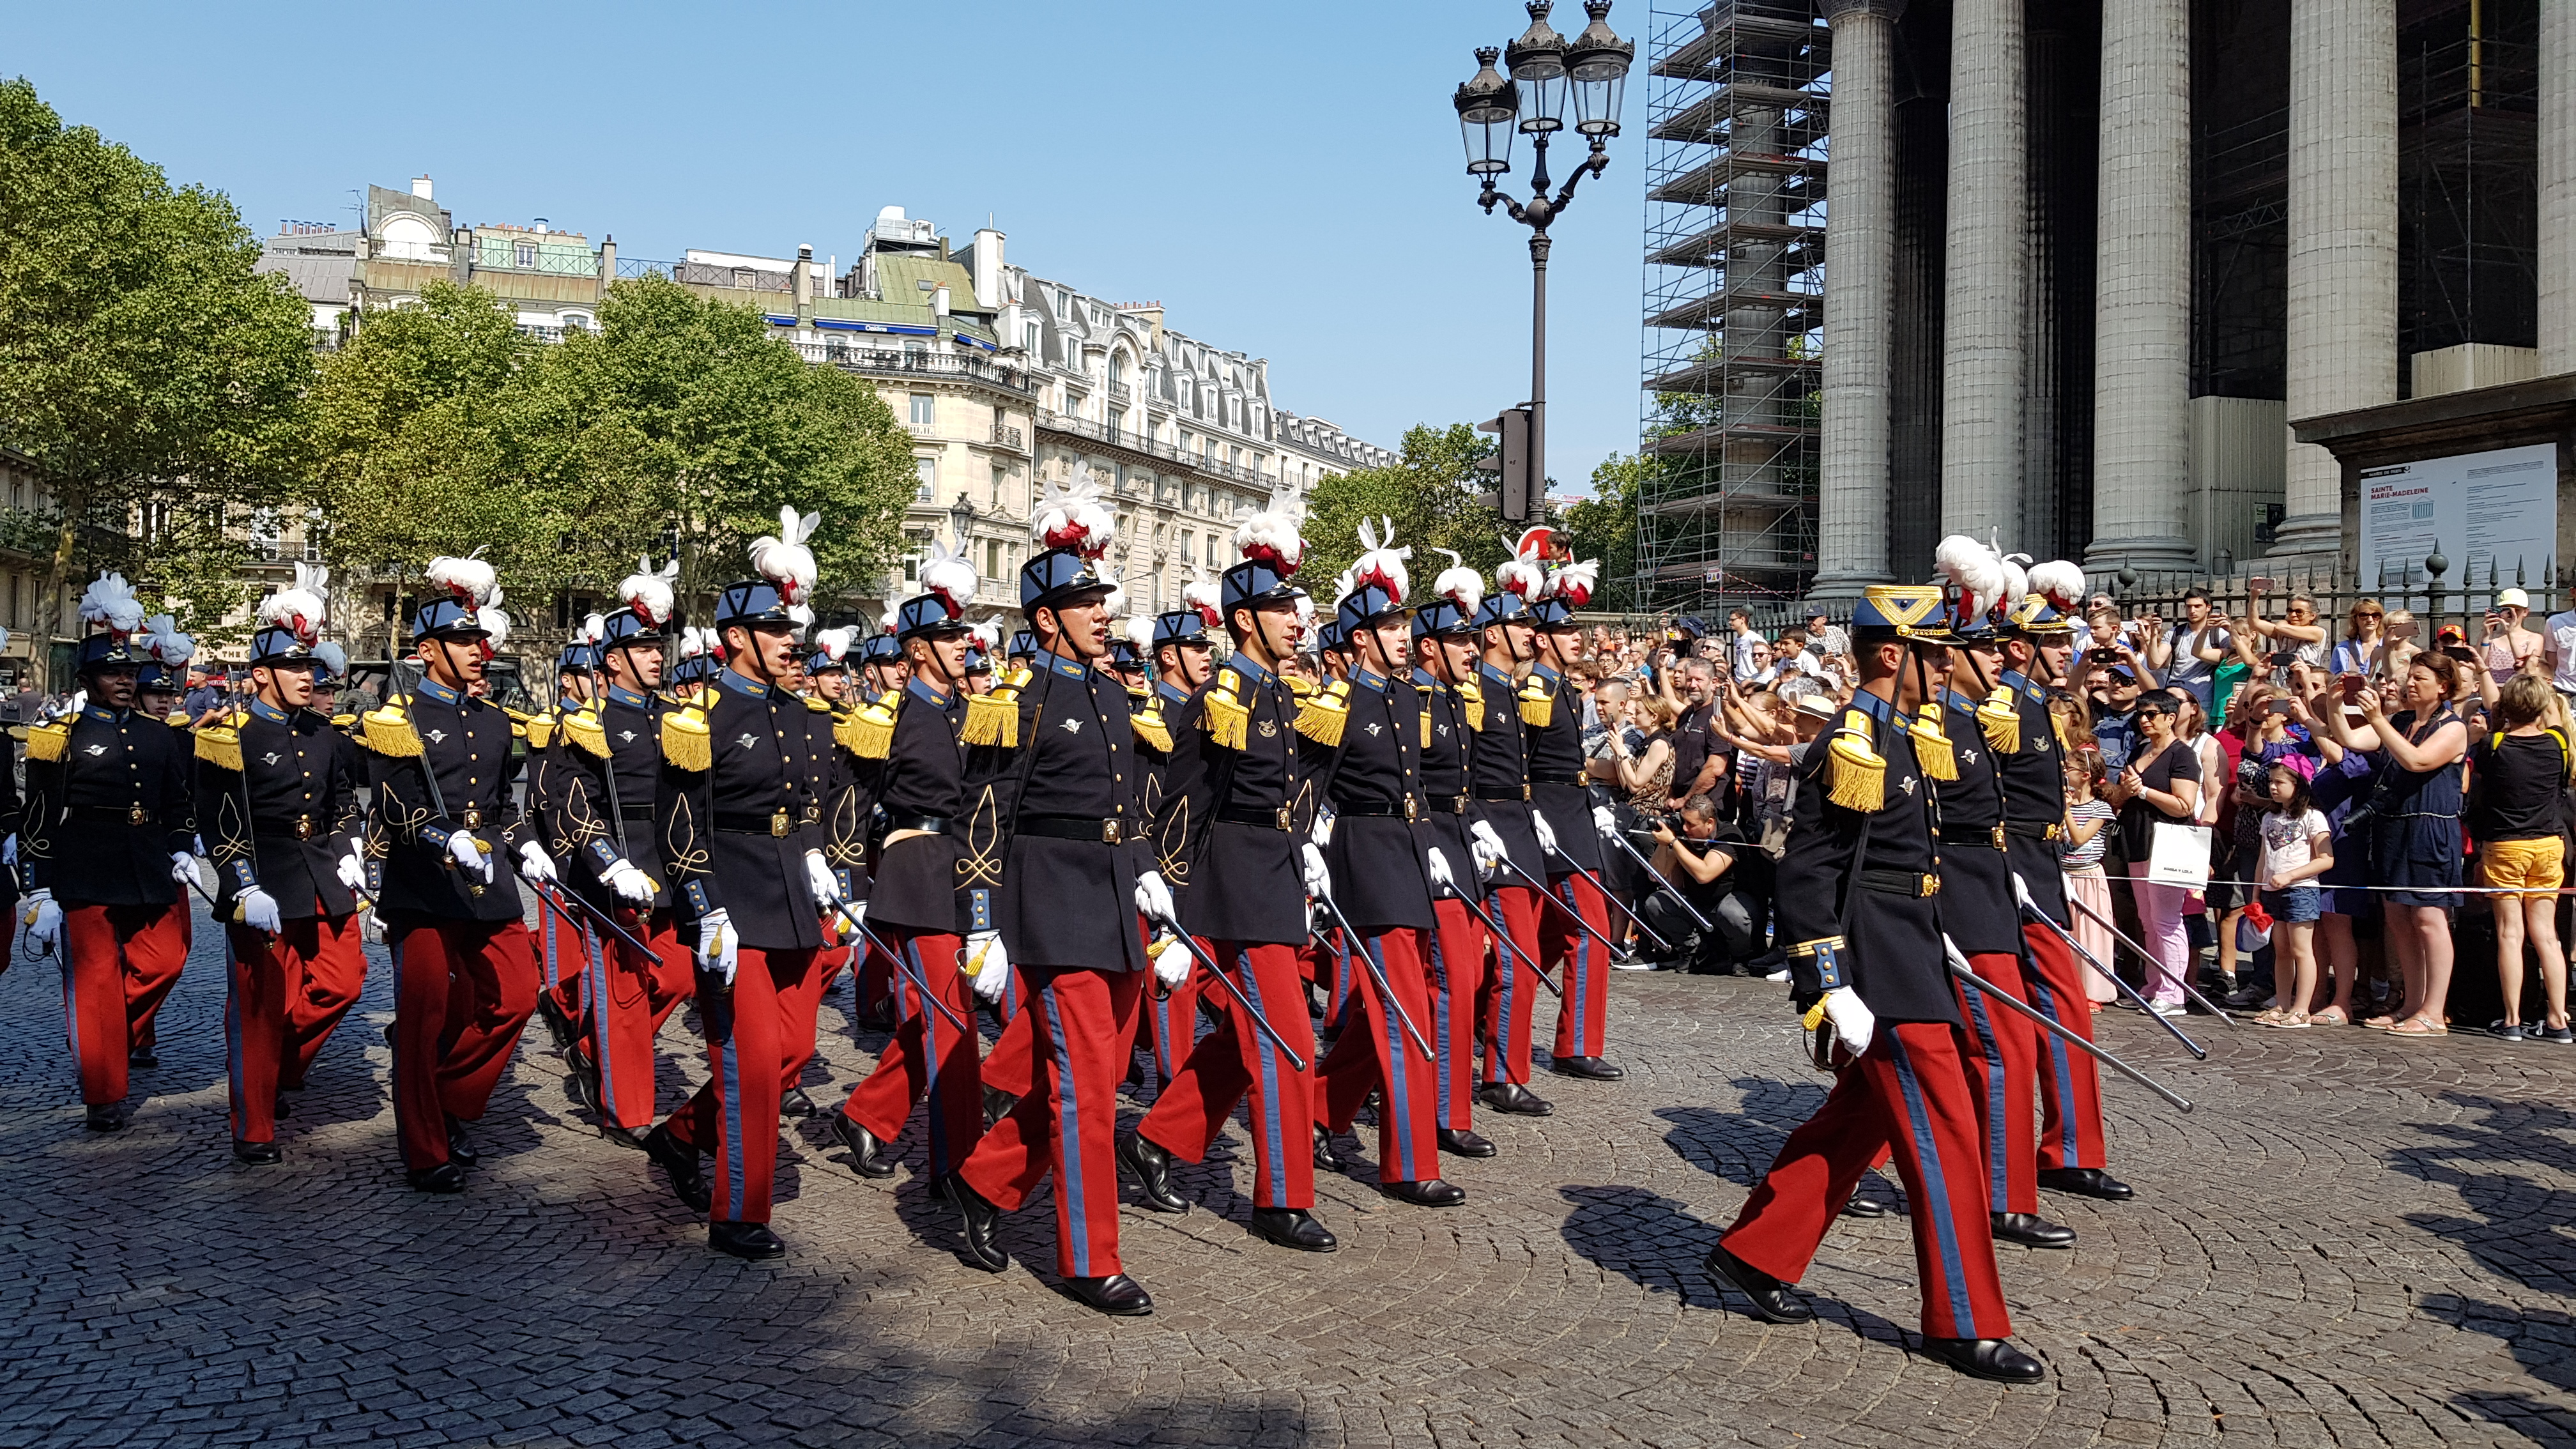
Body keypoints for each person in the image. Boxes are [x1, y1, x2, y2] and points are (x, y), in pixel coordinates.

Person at [1702, 583, 2041, 1384]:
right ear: (1895, 654)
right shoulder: (1852, 742)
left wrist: (1945, 936)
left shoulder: (1903, 735)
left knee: (1861, 1122)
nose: (1950, 666)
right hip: (1877, 971)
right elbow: (1809, 876)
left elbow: (1905, 865)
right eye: (1936, 653)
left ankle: (1757, 1252)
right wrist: (1830, 984)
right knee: (1948, 1132)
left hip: (1913, 952)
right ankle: (1965, 1320)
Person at [945, 478, 1176, 1315]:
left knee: (1086, 1075)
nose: (1103, 613)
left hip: (1113, 906)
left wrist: (1150, 871)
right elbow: (983, 819)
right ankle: (1089, 1257)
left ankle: (984, 1180)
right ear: (1046, 617)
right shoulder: (1018, 702)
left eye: (1102, 602)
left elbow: (1125, 803)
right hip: (1052, 913)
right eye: (1086, 604)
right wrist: (983, 927)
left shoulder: (1109, 692)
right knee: (1086, 1090)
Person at [1126, 520, 1338, 1250]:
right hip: (1234, 890)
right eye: (1283, 610)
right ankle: (1281, 1199)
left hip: (1275, 874)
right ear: (1245, 619)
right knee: (1286, 1038)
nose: (1296, 620)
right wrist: (1177, 918)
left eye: (1296, 609)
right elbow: (1181, 809)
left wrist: (1307, 841)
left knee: (1242, 1039)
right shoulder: (1219, 698)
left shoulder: (1282, 694)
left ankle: (1155, 1138)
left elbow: (1295, 788)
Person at [642, 512, 844, 1257]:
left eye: (792, 626)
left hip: (790, 898)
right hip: (732, 903)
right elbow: (680, 825)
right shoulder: (703, 718)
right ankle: (740, 1212)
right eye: (774, 628)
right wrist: (705, 912)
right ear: (735, 638)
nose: (792, 639)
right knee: (751, 1064)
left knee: (792, 1050)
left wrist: (820, 856)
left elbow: (809, 802)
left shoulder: (801, 714)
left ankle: (681, 1136)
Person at [355, 558, 549, 1192]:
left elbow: (501, 807)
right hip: (424, 884)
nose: (478, 651)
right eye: (464, 643)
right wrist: (446, 837)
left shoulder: (495, 721)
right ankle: (425, 1150)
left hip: (487, 880)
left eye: (479, 641)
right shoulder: (395, 718)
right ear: (426, 650)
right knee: (424, 1017)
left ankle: (446, 1098)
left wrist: (525, 845)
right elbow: (393, 804)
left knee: (518, 993)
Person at [829, 549, 998, 1192]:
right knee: (951, 1020)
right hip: (914, 875)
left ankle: (868, 1115)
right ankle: (958, 1166)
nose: (965, 645)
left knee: (938, 1016)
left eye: (964, 635)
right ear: (919, 650)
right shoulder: (890, 717)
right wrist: (845, 890)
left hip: (965, 873)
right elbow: (848, 803)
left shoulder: (970, 712)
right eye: (951, 637)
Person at [1306, 530, 1460, 1208]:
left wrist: (1433, 842)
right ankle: (1408, 1162)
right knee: (1405, 1011)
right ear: (1359, 638)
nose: (1402, 635)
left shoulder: (1406, 698)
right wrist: (1311, 848)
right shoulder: (1336, 702)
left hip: (1405, 851)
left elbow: (1414, 783)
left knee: (1404, 1001)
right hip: (1363, 860)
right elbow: (1308, 785)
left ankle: (1318, 1107)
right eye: (1388, 626)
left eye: (1403, 623)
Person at [193, 569, 367, 1165]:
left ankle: (281, 1066)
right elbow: (220, 822)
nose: (308, 679)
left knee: (345, 980)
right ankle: (254, 1124)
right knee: (258, 1007)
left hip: (319, 871)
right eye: (296, 669)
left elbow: (342, 801)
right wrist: (242, 884)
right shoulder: (229, 737)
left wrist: (350, 851)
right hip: (263, 877)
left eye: (312, 669)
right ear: (261, 674)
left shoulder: (323, 733)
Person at [19, 576, 195, 1132]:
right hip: (85, 866)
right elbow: (40, 814)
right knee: (95, 979)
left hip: (147, 862)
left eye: (131, 673)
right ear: (88, 679)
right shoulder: (60, 734)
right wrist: (39, 885)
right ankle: (103, 1091)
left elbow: (178, 799)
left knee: (166, 960)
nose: (126, 681)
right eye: (114, 673)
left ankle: (111, 1030)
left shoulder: (159, 734)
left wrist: (183, 846)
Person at [1991, 583, 2134, 1202]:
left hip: (2043, 872)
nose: (2061, 648)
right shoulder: (2001, 711)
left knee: (2066, 1010)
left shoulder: (2042, 708)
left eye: (2060, 638)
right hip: (2010, 873)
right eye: (2048, 640)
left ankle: (2070, 1151)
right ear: (2019, 647)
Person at [554, 561, 692, 1147]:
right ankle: (627, 1111)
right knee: (624, 992)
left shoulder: (679, 719)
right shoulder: (590, 723)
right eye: (643, 647)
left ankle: (589, 1047)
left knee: (681, 975)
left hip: (673, 866)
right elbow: (569, 804)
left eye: (659, 644)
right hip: (617, 870)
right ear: (613, 660)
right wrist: (609, 861)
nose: (657, 655)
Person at [1408, 560, 1504, 1157]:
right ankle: (1446, 1111)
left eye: (1473, 641)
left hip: (1460, 847)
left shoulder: (1453, 698)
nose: (1472, 651)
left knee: (1457, 982)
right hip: (1429, 851)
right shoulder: (1416, 701)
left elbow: (1460, 782)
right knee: (1449, 983)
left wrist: (1480, 826)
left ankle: (1327, 1101)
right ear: (1429, 649)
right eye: (1460, 642)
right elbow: (1408, 786)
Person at [2319, 653, 2467, 1038]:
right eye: (2410, 677)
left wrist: (2379, 720)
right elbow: (2351, 740)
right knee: (2398, 919)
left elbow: (2417, 761)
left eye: (2420, 678)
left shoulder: (2453, 727)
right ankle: (2411, 1004)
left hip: (2429, 829)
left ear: (2443, 686)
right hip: (2392, 828)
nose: (2411, 684)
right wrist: (2337, 704)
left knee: (2429, 919)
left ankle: (2435, 1011)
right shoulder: (2401, 721)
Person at [1524, 549, 1623, 1080]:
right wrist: (1533, 813)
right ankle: (1575, 1043)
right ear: (1542, 639)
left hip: (1576, 814)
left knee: (1541, 938)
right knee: (1590, 930)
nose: (1576, 638)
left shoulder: (1563, 686)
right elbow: (1520, 763)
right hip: (1553, 821)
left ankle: (1481, 1001)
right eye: (1564, 633)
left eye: (1576, 631)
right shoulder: (1536, 690)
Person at [1468, 566, 1553, 1118]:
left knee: (1524, 959)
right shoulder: (1476, 691)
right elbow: (1461, 772)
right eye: (1519, 625)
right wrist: (1479, 823)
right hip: (1495, 835)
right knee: (1512, 962)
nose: (1530, 633)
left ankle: (1499, 1061)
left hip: (1521, 828)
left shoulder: (1513, 690)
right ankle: (1501, 1075)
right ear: (1492, 633)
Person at [2466, 674, 2571, 1042]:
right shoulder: (2559, 742)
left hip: (2506, 844)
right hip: (2548, 843)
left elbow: (2478, 792)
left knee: (2511, 934)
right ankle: (2558, 1020)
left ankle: (2512, 1019)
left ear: (2505, 708)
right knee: (2548, 936)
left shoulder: (2493, 745)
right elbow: (2554, 720)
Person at [2106, 691, 2202, 1016]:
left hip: (2167, 844)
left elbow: (2184, 805)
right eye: (2141, 716)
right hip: (2137, 840)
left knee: (2166, 920)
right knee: (2148, 920)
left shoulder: (2182, 756)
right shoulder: (2140, 749)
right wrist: (2126, 791)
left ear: (2170, 718)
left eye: (2151, 714)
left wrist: (2144, 791)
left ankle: (2175, 993)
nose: (2144, 721)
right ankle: (2155, 985)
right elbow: (2123, 795)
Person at [2251, 763, 2333, 1027]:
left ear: (2299, 786)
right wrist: (2256, 893)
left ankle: (2301, 1009)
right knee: (2282, 950)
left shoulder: (2313, 817)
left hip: (2301, 891)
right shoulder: (2269, 818)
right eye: (2271, 782)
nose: (2273, 787)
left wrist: (2291, 876)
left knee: (2301, 949)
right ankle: (2282, 1003)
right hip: (2272, 891)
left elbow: (2325, 859)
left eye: (2280, 783)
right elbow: (2264, 858)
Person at [2062, 752, 2117, 1006]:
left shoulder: (2101, 808)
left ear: (2085, 776)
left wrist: (2066, 811)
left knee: (2090, 935)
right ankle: (2069, 988)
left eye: (2069, 768)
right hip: (2065, 876)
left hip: (2088, 878)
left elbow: (2080, 838)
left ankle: (2092, 991)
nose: (2064, 772)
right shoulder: (2065, 804)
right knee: (2068, 934)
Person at [2483, 587, 2543, 687]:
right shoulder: (2491, 637)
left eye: (2517, 610)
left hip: (2518, 691)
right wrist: (2485, 634)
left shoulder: (2534, 638)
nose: (2512, 615)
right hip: (2492, 690)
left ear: (2525, 612)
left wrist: (2510, 634)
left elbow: (2525, 665)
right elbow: (2480, 663)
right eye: (2507, 610)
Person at [2331, 599, 2390, 679]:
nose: (2370, 620)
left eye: (2375, 615)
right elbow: (2333, 679)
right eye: (2364, 616)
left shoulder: (2388, 647)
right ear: (2355, 619)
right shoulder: (2342, 649)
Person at [1728, 606, 1762, 684]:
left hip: (1751, 678)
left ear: (1742, 619)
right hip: (1739, 679)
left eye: (1733, 620)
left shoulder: (1753, 637)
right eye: (1729, 620)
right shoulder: (1737, 640)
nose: (1730, 622)